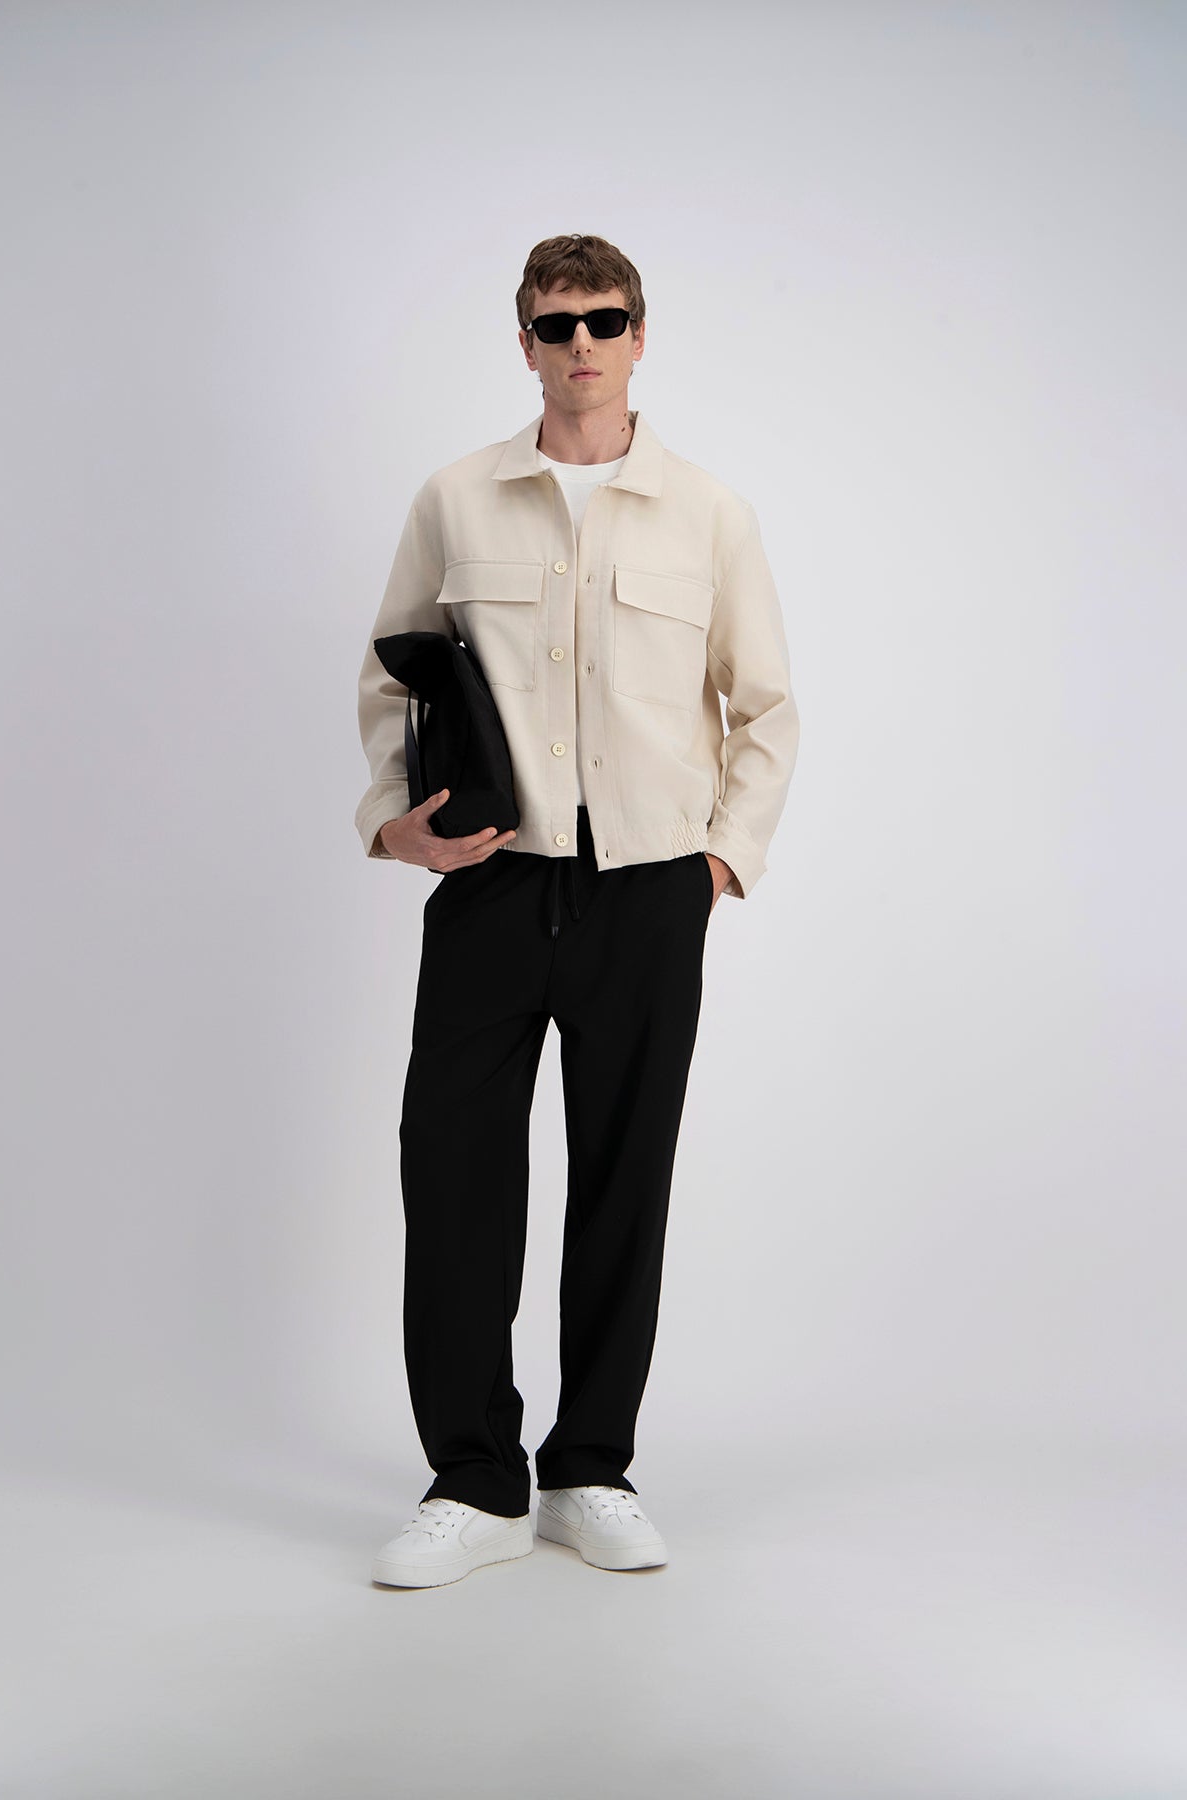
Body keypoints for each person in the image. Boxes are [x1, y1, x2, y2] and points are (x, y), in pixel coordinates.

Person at [355, 233, 800, 1588]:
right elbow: (390, 677)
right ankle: (474, 1480)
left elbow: (766, 708)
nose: (583, 345)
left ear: (640, 336)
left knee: (624, 1179)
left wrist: (719, 863)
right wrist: (393, 821)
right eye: (557, 325)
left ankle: (591, 1468)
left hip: (648, 891)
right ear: (526, 344)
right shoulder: (456, 499)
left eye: (605, 321)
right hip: (491, 883)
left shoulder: (709, 513)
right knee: (455, 1176)